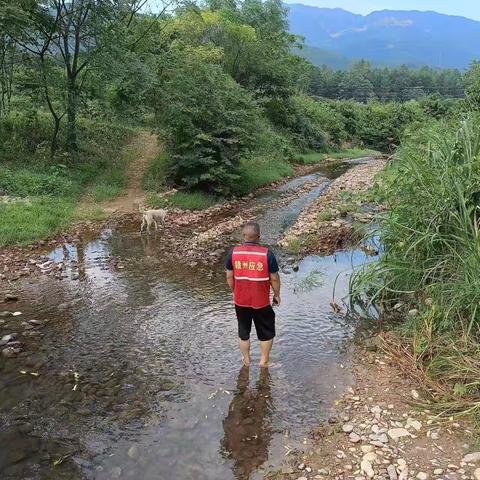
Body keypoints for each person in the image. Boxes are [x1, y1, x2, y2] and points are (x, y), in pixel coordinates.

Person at [225, 221, 281, 368]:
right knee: (266, 332)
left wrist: (234, 291)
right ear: (259, 237)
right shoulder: (267, 254)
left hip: (240, 300)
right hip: (261, 301)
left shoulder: (233, 253)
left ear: (243, 236)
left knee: (243, 332)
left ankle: (247, 361)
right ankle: (264, 361)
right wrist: (277, 294)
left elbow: (229, 276)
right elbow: (274, 278)